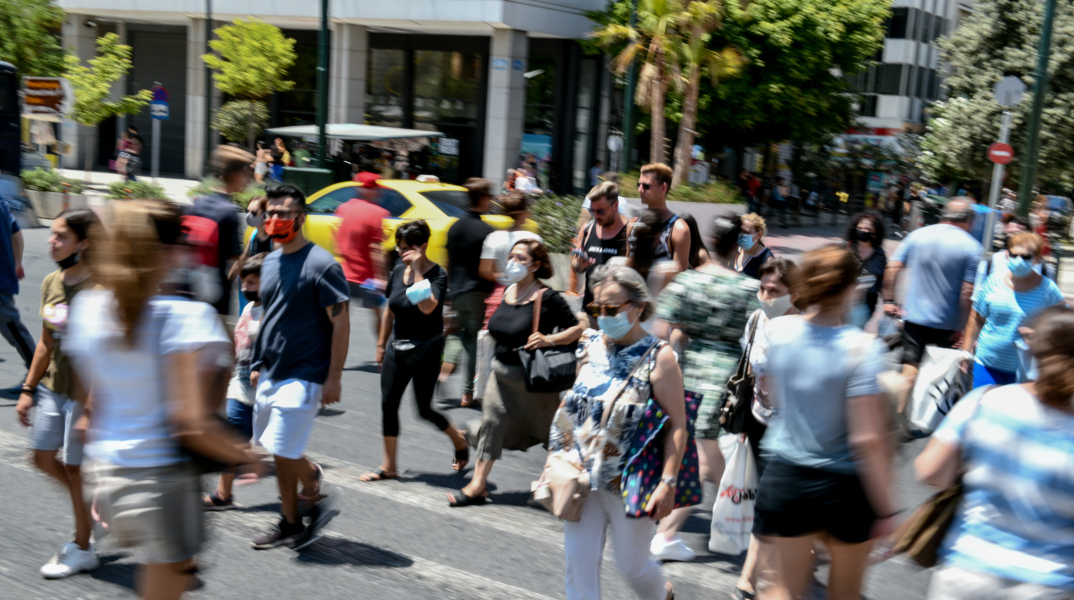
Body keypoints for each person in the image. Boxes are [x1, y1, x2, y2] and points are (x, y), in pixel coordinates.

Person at [66, 199, 255, 599]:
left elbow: (88, 413)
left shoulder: (85, 309)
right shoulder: (187, 318)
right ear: (167, 252)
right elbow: (192, 423)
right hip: (160, 483)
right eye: (182, 244)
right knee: (170, 579)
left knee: (177, 571)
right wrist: (247, 455)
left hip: (108, 478)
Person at [753, 245, 896, 600]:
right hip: (843, 487)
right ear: (850, 288)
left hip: (786, 475)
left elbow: (771, 396)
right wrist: (885, 509)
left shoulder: (781, 332)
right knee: (844, 594)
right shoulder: (863, 349)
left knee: (783, 588)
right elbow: (867, 439)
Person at [915, 304, 1074, 600]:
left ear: (1034, 348)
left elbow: (930, 471)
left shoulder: (986, 401)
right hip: (1049, 584)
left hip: (968, 572)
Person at [549, 264, 685, 600]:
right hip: (580, 474)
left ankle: (661, 594)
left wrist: (668, 482)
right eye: (597, 308)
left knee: (632, 565)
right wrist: (556, 459)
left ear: (637, 307)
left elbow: (678, 424)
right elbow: (575, 406)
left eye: (612, 308)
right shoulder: (590, 344)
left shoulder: (660, 356)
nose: (603, 315)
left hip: (629, 479)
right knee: (578, 561)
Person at [650, 215, 761, 561]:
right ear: (737, 244)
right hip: (728, 377)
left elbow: (661, 330)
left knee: (707, 458)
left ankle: (671, 530)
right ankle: (668, 532)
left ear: (712, 241)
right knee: (708, 461)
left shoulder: (687, 283)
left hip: (689, 372)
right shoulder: (746, 288)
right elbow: (761, 332)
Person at [249, 184, 351, 549]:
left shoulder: (321, 264)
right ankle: (311, 479)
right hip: (271, 370)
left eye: (284, 214)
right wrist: (258, 359)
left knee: (281, 451)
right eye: (270, 213)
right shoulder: (271, 260)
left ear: (301, 218)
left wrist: (333, 377)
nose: (275, 220)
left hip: (306, 372)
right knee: (271, 444)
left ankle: (291, 523)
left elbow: (341, 321)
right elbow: (271, 314)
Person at [449, 239, 583, 506]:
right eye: (512, 256)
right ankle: (477, 485)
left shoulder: (548, 297)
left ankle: (560, 487)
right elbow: (495, 334)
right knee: (492, 424)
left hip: (535, 384)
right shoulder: (508, 291)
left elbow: (578, 329)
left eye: (521, 258)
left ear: (535, 265)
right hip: (500, 376)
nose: (513, 262)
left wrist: (549, 339)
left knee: (550, 435)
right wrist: (482, 370)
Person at [14, 208, 102, 578]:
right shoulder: (52, 281)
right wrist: (28, 388)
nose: (52, 241)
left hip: (85, 394)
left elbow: (106, 352)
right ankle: (94, 506)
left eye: (61, 236)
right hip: (53, 388)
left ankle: (82, 547)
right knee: (43, 458)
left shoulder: (101, 288)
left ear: (84, 242)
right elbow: (45, 343)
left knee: (78, 472)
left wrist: (91, 407)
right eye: (52, 234)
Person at [362, 220, 470, 482]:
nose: (402, 253)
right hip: (397, 347)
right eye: (399, 248)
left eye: (407, 248)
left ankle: (459, 439)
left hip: (428, 350)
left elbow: (426, 308)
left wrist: (418, 269)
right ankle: (389, 466)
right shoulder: (397, 270)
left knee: (424, 410)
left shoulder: (438, 275)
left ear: (423, 246)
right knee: (389, 404)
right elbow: (391, 308)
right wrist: (380, 345)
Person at [732, 258, 802, 600]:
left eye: (774, 290)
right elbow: (746, 367)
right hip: (760, 420)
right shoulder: (758, 319)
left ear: (795, 293)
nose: (765, 295)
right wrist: (744, 419)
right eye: (762, 288)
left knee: (770, 503)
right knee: (769, 498)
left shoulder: (806, 330)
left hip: (793, 430)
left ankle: (748, 579)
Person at [883, 198, 982, 412]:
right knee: (941, 376)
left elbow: (892, 268)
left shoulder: (917, 235)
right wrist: (965, 328)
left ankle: (898, 417)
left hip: (915, 319)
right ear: (969, 221)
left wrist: (889, 300)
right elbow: (967, 293)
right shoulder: (972, 247)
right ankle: (931, 419)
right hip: (950, 325)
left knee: (909, 371)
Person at [204, 252, 266, 510]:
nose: (245, 287)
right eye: (244, 282)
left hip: (265, 389)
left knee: (277, 446)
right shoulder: (249, 307)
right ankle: (223, 495)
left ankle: (309, 476)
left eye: (252, 282)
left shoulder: (277, 311)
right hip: (239, 384)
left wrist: (264, 364)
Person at [962, 232, 1065, 387]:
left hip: (1026, 372)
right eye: (1014, 255)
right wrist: (965, 352)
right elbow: (976, 318)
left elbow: (1063, 326)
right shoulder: (993, 282)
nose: (1019, 261)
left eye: (1026, 257)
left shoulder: (1048, 290)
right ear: (1007, 256)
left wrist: (1040, 334)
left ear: (1037, 259)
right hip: (986, 364)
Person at [445, 178, 496, 407]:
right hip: (478, 294)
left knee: (458, 333)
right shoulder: (487, 231)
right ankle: (467, 393)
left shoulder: (454, 227)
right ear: (483, 199)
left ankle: (443, 369)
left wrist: (449, 292)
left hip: (457, 291)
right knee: (475, 342)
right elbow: (489, 268)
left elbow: (449, 262)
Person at [184, 145, 251, 316]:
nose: (247, 179)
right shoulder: (228, 212)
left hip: (189, 288)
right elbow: (235, 259)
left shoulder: (196, 204)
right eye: (246, 174)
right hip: (215, 295)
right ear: (235, 174)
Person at [336, 172, 390, 342]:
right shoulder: (378, 213)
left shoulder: (343, 208)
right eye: (376, 189)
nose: (380, 193)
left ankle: (332, 354)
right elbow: (376, 249)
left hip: (344, 275)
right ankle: (382, 352)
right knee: (378, 315)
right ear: (369, 191)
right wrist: (381, 278)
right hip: (367, 279)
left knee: (340, 318)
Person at [572, 181, 631, 307]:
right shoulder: (587, 229)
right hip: (589, 311)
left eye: (601, 211)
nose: (596, 216)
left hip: (617, 316)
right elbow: (576, 266)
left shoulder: (631, 233)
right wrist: (579, 265)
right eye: (592, 211)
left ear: (615, 206)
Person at [0, 192, 35, 374]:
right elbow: (17, 232)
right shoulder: (2, 203)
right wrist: (18, 263)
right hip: (3, 277)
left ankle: (39, 372)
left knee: (13, 329)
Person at [637, 163, 691, 274]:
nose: (640, 190)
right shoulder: (635, 223)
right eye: (638, 184)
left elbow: (678, 277)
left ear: (663, 188)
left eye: (646, 186)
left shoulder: (679, 229)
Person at [846, 211, 887, 328]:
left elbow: (882, 280)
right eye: (860, 228)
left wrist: (888, 303)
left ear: (875, 233)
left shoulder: (879, 254)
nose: (863, 231)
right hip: (845, 299)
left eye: (867, 228)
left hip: (868, 302)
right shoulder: (847, 247)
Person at [734, 213, 775, 279]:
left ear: (759, 235)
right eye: (740, 231)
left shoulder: (767, 260)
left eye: (746, 232)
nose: (741, 235)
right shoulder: (734, 250)